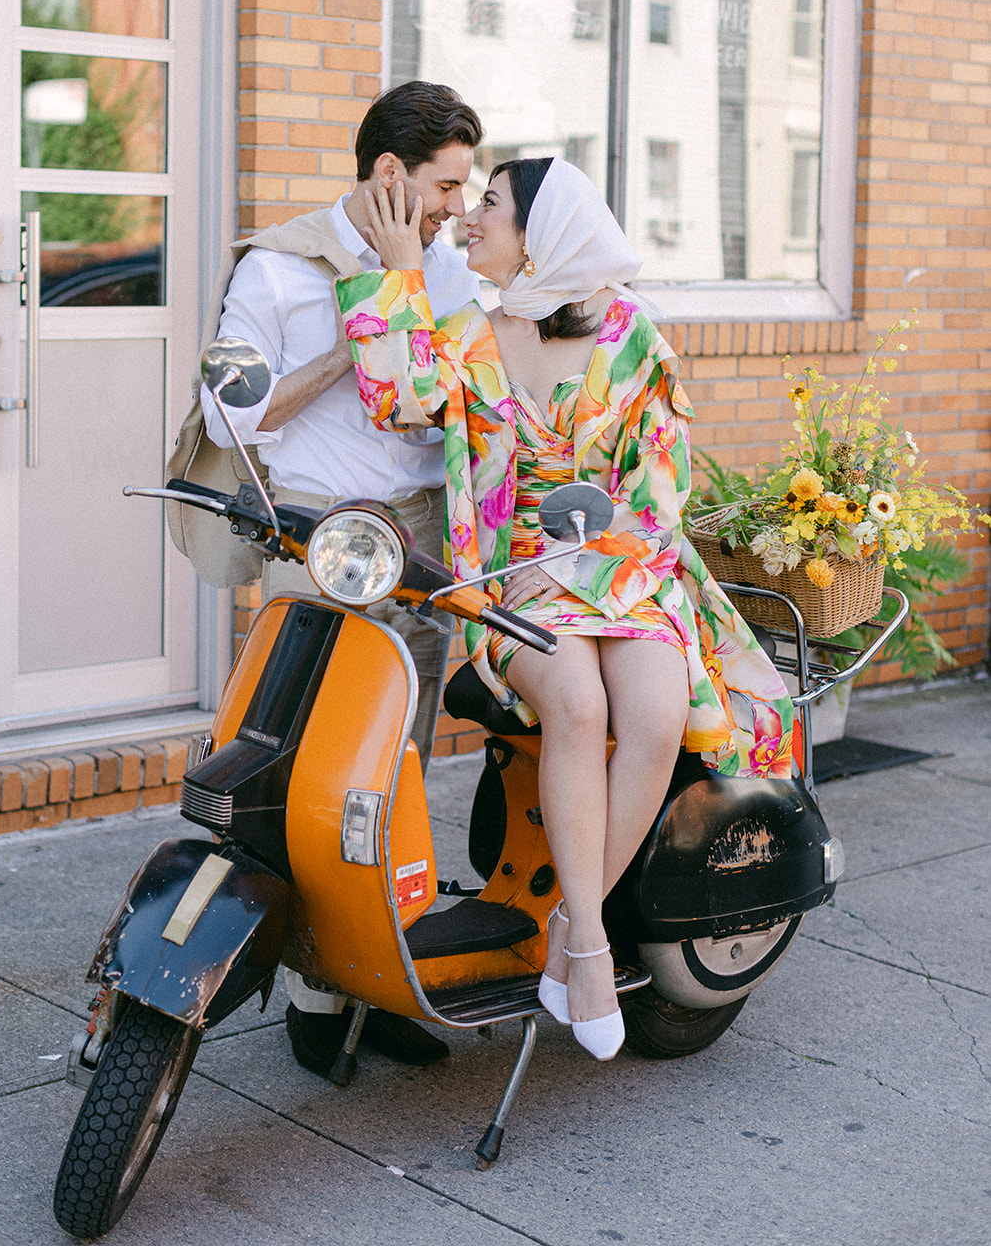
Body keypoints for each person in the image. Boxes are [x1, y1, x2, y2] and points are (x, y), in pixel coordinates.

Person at [339, 155, 795, 1062]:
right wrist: (390, 272)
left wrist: (577, 563)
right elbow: (395, 395)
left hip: (623, 568)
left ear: (538, 235)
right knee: (580, 709)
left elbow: (659, 498)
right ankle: (584, 945)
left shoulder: (633, 340)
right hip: (505, 584)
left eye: (491, 206)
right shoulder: (471, 333)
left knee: (657, 715)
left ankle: (572, 932)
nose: (471, 217)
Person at [201, 81, 483, 1076]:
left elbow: (450, 394)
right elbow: (228, 410)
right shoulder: (279, 265)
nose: (459, 203)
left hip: (420, 541)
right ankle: (314, 1003)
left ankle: (382, 974)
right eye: (448, 184)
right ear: (391, 173)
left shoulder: (442, 269)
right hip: (322, 543)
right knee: (302, 778)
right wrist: (344, 348)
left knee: (392, 772)